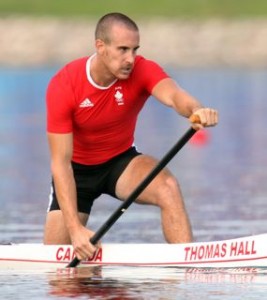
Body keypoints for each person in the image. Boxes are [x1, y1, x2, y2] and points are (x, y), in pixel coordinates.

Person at [44, 12, 218, 261]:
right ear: (100, 47)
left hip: (120, 163)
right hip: (76, 173)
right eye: (123, 49)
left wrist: (196, 110)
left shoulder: (142, 70)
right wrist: (75, 230)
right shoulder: (65, 85)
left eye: (135, 50)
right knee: (57, 270)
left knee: (167, 186)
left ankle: (189, 265)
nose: (130, 59)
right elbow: (60, 163)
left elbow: (174, 95)